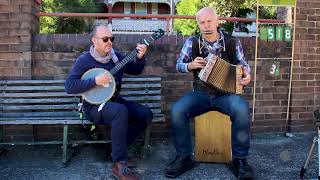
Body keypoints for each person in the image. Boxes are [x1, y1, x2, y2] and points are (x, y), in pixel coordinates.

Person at [164, 7, 254, 179]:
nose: (206, 25)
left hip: (225, 95)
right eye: (202, 22)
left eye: (209, 21)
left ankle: (240, 160)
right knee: (177, 110)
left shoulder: (232, 42)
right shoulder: (192, 42)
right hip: (200, 94)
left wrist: (247, 75)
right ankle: (184, 157)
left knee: (241, 108)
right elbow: (178, 64)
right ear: (198, 24)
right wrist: (189, 66)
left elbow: (244, 65)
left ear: (217, 21)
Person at [65, 24, 153, 180]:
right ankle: (120, 163)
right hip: (93, 106)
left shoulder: (116, 57)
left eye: (111, 38)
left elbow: (135, 70)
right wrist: (94, 81)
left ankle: (118, 150)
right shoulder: (84, 60)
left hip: (114, 100)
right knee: (120, 111)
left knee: (145, 114)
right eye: (105, 39)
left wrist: (140, 58)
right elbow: (69, 86)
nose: (109, 42)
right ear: (94, 41)